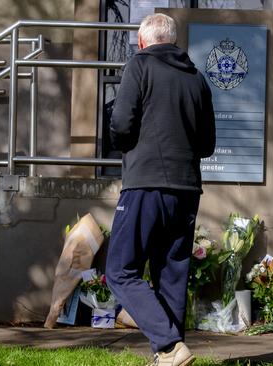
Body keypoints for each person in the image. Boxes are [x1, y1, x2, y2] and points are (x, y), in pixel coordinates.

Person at [105, 13, 216, 366]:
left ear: (143, 42)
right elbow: (207, 144)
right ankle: (169, 355)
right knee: (172, 273)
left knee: (121, 269)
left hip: (145, 184)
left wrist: (126, 144)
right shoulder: (198, 80)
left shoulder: (139, 65)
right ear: (173, 41)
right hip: (186, 189)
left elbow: (121, 125)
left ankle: (167, 345)